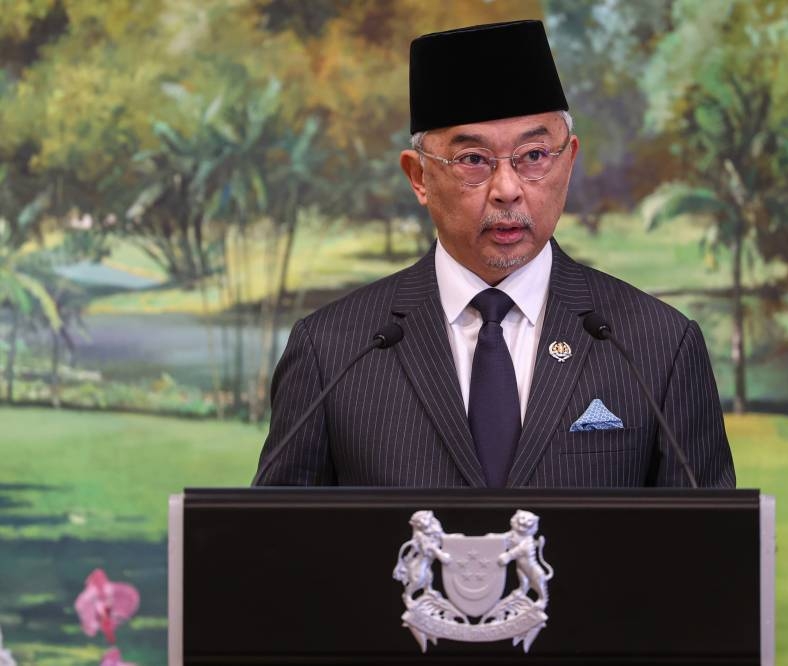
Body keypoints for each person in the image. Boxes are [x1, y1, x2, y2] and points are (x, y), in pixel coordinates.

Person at [254, 20, 736, 488]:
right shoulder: (334, 351)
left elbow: (711, 553)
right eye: (473, 161)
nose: (508, 190)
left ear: (568, 162)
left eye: (533, 156)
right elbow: (274, 549)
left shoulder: (657, 345)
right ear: (418, 177)